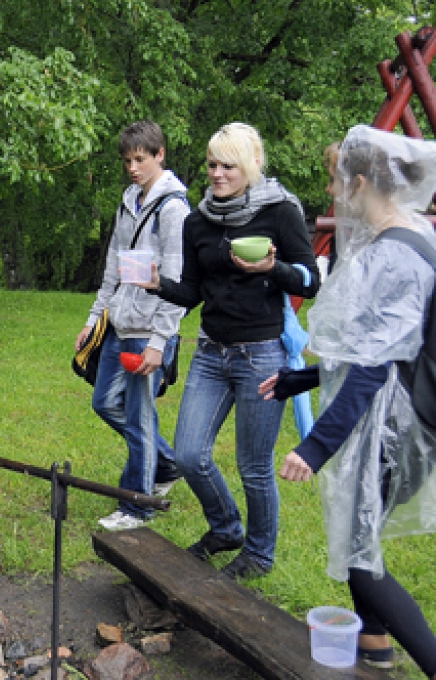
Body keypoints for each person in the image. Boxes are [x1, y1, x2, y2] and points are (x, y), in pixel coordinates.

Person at [265, 126, 436, 676]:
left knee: (359, 560)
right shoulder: (419, 235)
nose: (335, 196)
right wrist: (304, 379)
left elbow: (371, 370)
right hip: (409, 414)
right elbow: (390, 349)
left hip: (397, 428)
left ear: (361, 183)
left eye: (339, 185)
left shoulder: (391, 255)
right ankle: (375, 650)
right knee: (361, 538)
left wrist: (313, 447)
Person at [138, 122, 320, 579]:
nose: (217, 174)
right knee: (188, 454)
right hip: (211, 353)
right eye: (212, 164)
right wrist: (160, 284)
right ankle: (226, 528)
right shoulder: (199, 220)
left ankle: (259, 554)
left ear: (251, 165)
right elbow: (195, 291)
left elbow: (310, 281)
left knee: (253, 466)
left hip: (262, 354)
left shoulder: (279, 212)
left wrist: (271, 267)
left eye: (228, 166)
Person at [76, 120, 188, 531]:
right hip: (119, 324)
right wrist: (93, 319)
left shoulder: (173, 209)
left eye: (141, 159)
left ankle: (137, 506)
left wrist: (161, 339)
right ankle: (169, 464)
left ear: (160, 155)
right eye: (128, 161)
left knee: (140, 417)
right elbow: (114, 269)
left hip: (149, 331)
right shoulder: (128, 202)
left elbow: (177, 281)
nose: (133, 168)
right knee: (104, 402)